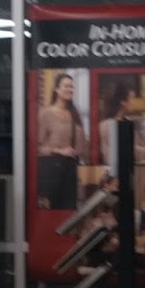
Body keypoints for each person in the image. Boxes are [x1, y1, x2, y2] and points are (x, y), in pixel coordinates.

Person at [36, 72, 86, 209]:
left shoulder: (75, 115)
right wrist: (59, 150)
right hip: (52, 173)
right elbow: (36, 148)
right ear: (57, 89)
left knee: (70, 212)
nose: (70, 89)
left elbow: (83, 147)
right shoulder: (46, 114)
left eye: (72, 87)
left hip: (71, 172)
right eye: (66, 86)